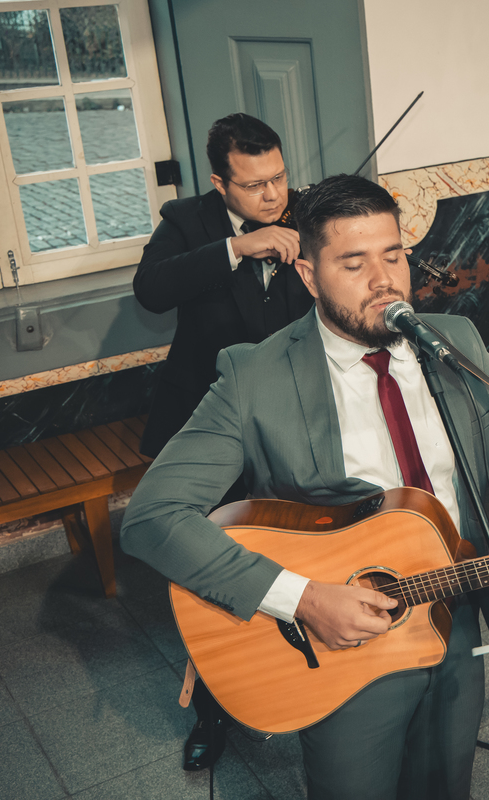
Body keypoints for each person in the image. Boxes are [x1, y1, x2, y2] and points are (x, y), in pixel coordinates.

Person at [121, 174, 489, 800]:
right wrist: (302, 599)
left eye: (393, 256)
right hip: (337, 641)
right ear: (309, 276)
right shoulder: (254, 375)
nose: (384, 281)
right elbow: (153, 516)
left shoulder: (454, 341)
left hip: (453, 611)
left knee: (445, 787)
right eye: (354, 264)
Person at [133, 113, 314, 769]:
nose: (273, 195)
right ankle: (213, 707)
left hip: (293, 418)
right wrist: (239, 247)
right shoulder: (188, 221)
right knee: (216, 568)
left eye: (279, 177)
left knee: (300, 553)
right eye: (254, 185)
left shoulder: (307, 210)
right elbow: (151, 290)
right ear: (220, 184)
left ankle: (305, 682)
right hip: (211, 422)